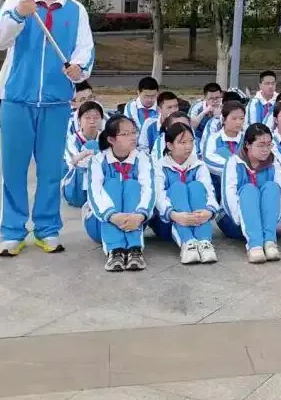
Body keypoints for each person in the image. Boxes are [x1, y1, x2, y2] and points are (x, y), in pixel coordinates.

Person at [0, 0, 95, 256]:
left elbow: (85, 50)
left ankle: (47, 230)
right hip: (17, 100)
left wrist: (78, 69)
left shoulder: (75, 10)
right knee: (14, 169)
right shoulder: (17, 3)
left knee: (50, 170)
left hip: (56, 102)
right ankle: (12, 231)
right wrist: (18, 16)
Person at [85, 116, 154, 271]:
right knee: (112, 184)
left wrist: (140, 215)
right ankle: (115, 250)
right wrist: (112, 216)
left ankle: (135, 249)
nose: (133, 137)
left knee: (132, 185)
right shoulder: (98, 160)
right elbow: (94, 193)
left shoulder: (143, 158)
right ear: (111, 139)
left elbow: (149, 189)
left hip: (135, 221)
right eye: (125, 134)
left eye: (134, 132)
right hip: (101, 222)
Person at [151, 122, 219, 264]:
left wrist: (209, 212)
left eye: (191, 141)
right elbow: (158, 197)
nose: (188, 146)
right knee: (178, 187)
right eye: (182, 142)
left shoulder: (199, 165)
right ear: (169, 145)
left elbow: (209, 192)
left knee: (196, 186)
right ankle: (187, 243)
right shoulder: (160, 166)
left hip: (197, 219)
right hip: (168, 221)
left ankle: (204, 242)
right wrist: (174, 215)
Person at [221, 123, 281, 264]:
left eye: (269, 145)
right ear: (248, 145)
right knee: (248, 189)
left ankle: (269, 241)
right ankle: (255, 244)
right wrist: (249, 220)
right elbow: (228, 198)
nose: (266, 150)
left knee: (272, 187)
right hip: (235, 221)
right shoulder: (234, 162)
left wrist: (270, 220)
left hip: (266, 223)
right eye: (261, 145)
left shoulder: (273, 163)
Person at [61, 100, 104, 208]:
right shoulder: (72, 140)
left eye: (96, 117)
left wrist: (86, 154)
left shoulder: (106, 138)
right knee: (92, 145)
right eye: (87, 118)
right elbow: (74, 162)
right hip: (76, 187)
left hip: (99, 181)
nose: (92, 121)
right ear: (79, 120)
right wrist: (92, 153)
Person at [201, 99, 247, 197]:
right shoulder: (213, 138)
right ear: (224, 119)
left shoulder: (247, 139)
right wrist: (234, 167)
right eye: (234, 119)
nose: (239, 122)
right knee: (222, 151)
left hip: (243, 183)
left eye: (242, 118)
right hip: (218, 183)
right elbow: (208, 159)